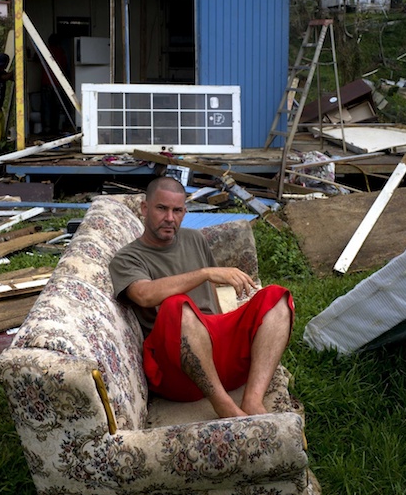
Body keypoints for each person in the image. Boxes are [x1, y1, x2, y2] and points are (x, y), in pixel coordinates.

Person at [109, 177, 294, 418]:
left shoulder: (194, 238)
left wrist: (225, 327)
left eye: (177, 210)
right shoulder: (127, 258)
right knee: (177, 305)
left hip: (217, 355)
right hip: (178, 371)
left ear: (185, 212)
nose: (170, 218)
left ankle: (253, 400)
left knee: (276, 296)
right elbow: (144, 295)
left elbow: (211, 296)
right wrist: (204, 273)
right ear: (145, 208)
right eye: (161, 208)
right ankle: (223, 405)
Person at [40, 33, 69, 135]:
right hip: (57, 83)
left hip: (46, 83)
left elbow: (36, 59)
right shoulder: (61, 52)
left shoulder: (45, 50)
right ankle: (56, 129)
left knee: (46, 107)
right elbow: (64, 66)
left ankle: (47, 129)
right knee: (57, 108)